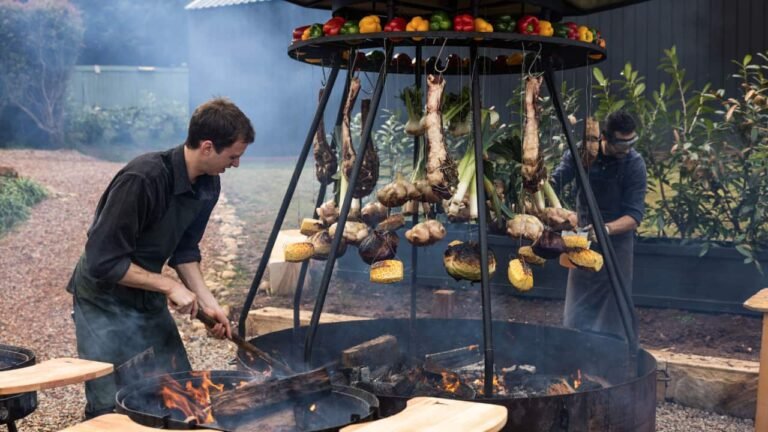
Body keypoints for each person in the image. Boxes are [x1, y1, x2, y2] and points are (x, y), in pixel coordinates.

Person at [66, 97, 255, 418]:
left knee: (179, 390)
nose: (236, 164)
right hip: (102, 298)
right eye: (233, 156)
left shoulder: (209, 184)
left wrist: (207, 301)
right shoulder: (143, 179)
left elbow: (185, 250)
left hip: (148, 294)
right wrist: (169, 286)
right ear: (207, 147)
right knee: (109, 404)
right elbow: (103, 260)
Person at [550, 110, 647, 339]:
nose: (626, 149)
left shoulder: (634, 164)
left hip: (617, 243)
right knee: (577, 311)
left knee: (615, 309)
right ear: (604, 138)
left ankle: (615, 355)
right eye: (621, 144)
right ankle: (576, 355)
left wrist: (605, 229)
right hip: (582, 240)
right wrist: (558, 213)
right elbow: (555, 183)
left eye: (631, 142)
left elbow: (634, 216)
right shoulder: (583, 155)